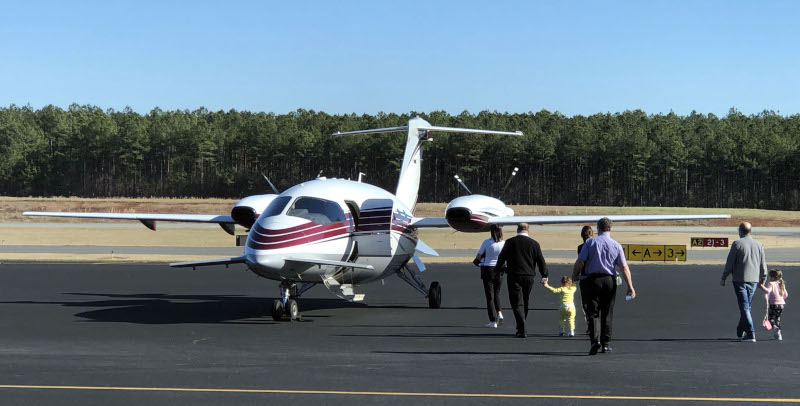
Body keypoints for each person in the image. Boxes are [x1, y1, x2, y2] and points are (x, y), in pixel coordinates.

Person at [572, 217, 635, 355]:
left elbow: (580, 261)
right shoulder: (616, 245)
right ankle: (606, 343)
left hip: (593, 280)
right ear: (610, 228)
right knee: (607, 312)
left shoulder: (590, 243)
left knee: (592, 312)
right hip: (609, 280)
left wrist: (574, 274)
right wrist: (630, 286)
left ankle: (595, 341)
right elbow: (624, 267)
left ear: (597, 228)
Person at [494, 223, 548, 338]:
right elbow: (541, 261)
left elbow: (501, 258)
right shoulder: (534, 244)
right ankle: (521, 325)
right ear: (528, 230)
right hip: (529, 277)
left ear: (517, 229)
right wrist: (544, 274)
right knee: (525, 301)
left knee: (516, 303)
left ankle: (522, 328)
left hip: (514, 276)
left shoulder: (510, 242)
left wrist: (499, 269)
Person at [720, 222, 768, 342]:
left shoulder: (737, 244)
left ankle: (751, 333)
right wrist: (762, 280)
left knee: (744, 307)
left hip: (740, 280)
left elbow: (729, 263)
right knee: (747, 306)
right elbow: (763, 265)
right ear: (750, 231)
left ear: (740, 231)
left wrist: (724, 277)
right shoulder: (758, 244)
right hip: (753, 280)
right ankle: (741, 328)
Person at [473, 224, 506, 328]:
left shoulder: (486, 242)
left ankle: (492, 320)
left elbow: (478, 256)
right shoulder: (504, 243)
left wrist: (478, 262)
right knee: (497, 294)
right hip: (500, 270)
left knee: (489, 296)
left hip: (488, 269)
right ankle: (499, 313)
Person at [759, 269, 788, 341]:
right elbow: (786, 295)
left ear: (772, 277)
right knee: (777, 318)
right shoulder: (781, 284)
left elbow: (768, 290)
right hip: (781, 305)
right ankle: (778, 334)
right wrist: (780, 298)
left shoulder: (771, 283)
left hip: (773, 304)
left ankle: (775, 327)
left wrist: (761, 286)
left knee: (771, 318)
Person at [577, 226, 594, 333]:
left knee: (586, 303)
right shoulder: (597, 245)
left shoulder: (580, 247)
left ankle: (590, 323)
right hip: (597, 276)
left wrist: (575, 274)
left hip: (585, 277)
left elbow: (580, 262)